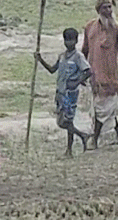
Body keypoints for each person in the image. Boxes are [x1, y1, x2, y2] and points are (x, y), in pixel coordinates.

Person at [82, 0, 118, 149]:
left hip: (110, 77)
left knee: (103, 108)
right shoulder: (90, 27)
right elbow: (84, 50)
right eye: (104, 8)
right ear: (98, 10)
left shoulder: (117, 28)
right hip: (94, 76)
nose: (108, 11)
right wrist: (81, 71)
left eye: (110, 7)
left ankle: (94, 139)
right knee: (103, 107)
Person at [35, 28, 92, 157]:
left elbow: (88, 71)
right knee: (62, 121)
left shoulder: (78, 56)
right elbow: (52, 70)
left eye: (71, 40)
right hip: (60, 92)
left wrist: (77, 81)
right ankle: (81, 136)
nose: (68, 43)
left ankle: (71, 148)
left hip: (70, 93)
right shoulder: (62, 56)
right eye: (66, 40)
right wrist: (40, 60)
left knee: (66, 121)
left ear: (76, 41)